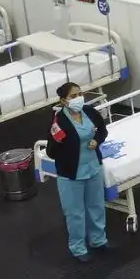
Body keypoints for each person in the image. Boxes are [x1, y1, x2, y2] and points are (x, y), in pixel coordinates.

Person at [46, 82, 110, 263]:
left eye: (80, 94)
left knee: (96, 206)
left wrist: (97, 141)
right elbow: (51, 151)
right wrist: (64, 145)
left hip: (93, 167)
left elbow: (102, 131)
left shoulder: (89, 112)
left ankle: (98, 240)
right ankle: (78, 247)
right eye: (74, 96)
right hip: (70, 173)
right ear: (64, 101)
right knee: (75, 213)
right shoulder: (59, 122)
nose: (78, 98)